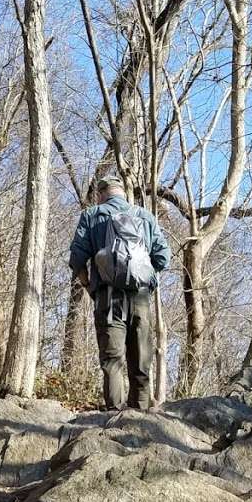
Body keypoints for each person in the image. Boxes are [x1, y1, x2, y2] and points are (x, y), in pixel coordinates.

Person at [69, 174, 171, 411]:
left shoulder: (91, 216)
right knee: (141, 362)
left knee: (112, 361)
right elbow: (163, 258)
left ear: (101, 194)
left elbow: (76, 260)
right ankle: (142, 420)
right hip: (140, 297)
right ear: (123, 193)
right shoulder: (145, 217)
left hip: (107, 296)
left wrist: (89, 287)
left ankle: (114, 419)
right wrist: (148, 278)